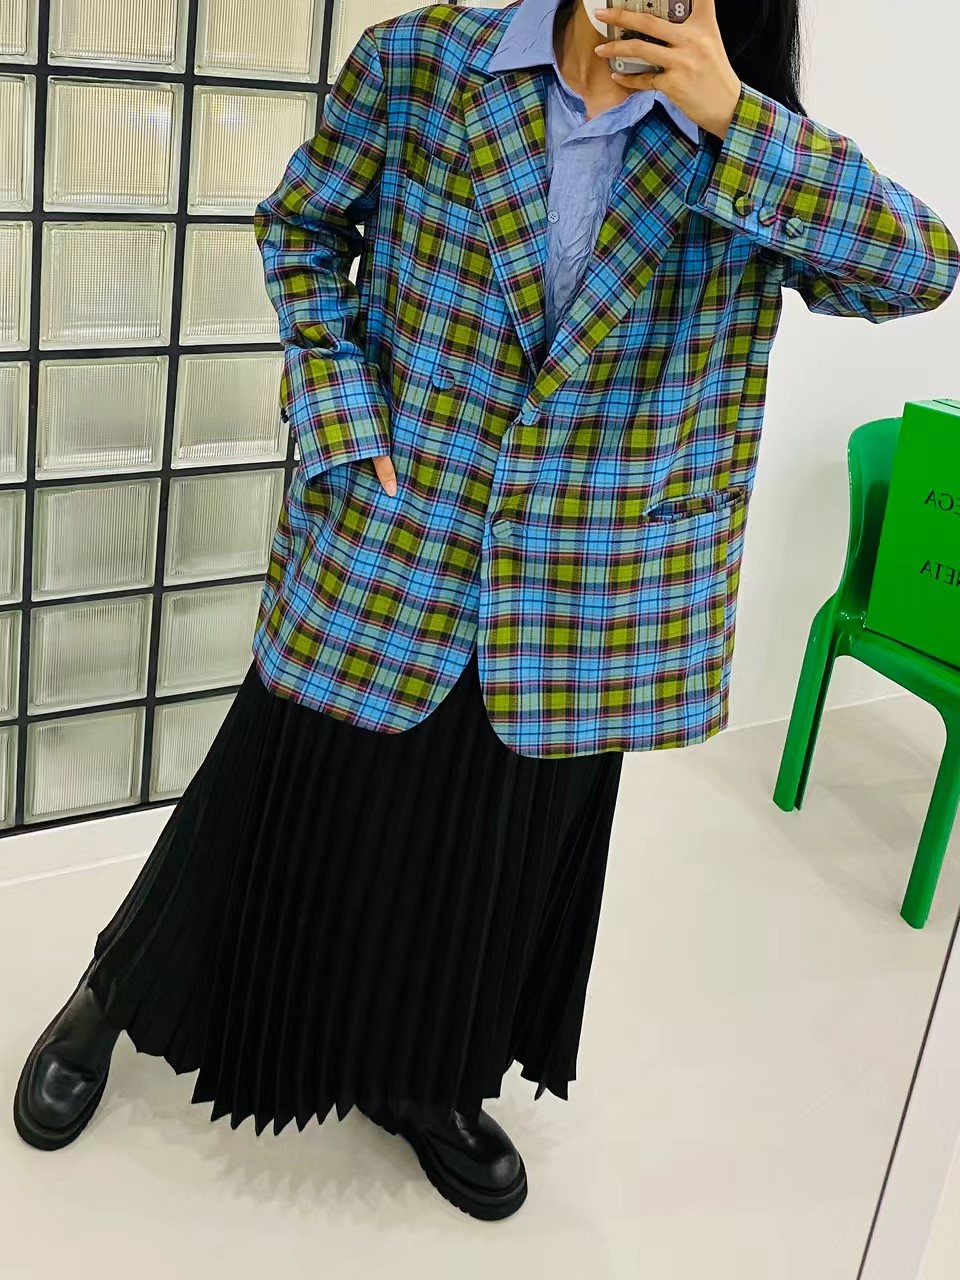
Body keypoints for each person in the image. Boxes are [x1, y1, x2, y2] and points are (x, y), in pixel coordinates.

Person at [13, 0, 958, 1223]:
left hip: (589, 590)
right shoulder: (423, 62)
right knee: (271, 796)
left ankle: (426, 1075)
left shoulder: (746, 141)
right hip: (391, 538)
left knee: (490, 854)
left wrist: (737, 117)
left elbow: (917, 271)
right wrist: (341, 414)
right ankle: (116, 993)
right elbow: (302, 226)